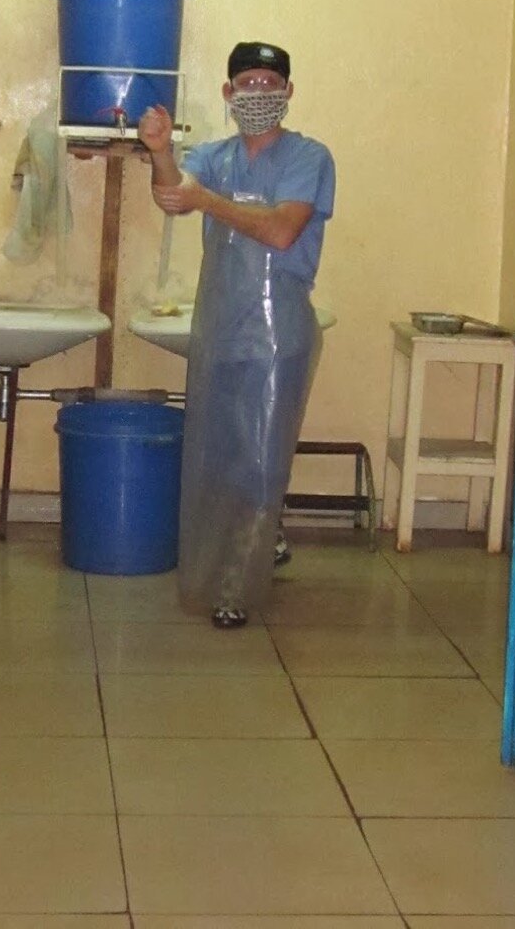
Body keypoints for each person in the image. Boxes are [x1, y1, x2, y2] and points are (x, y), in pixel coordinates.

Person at [137, 41, 336, 628]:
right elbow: (175, 197)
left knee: (260, 461)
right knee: (218, 458)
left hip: (279, 335)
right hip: (222, 329)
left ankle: (236, 589)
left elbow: (279, 231)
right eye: (245, 85)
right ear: (227, 94)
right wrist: (158, 152)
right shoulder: (217, 157)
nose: (257, 95)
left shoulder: (308, 157)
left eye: (268, 85)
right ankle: (247, 548)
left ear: (288, 92)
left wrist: (207, 201)